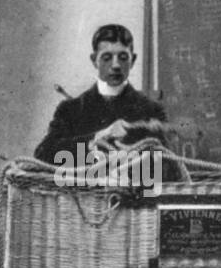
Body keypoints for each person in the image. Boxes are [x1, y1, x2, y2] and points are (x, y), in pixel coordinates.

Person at [33, 24, 167, 164]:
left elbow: (169, 169)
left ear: (132, 60)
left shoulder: (152, 111)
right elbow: (43, 154)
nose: (115, 65)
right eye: (106, 57)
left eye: (122, 57)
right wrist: (97, 137)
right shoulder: (70, 109)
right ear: (94, 60)